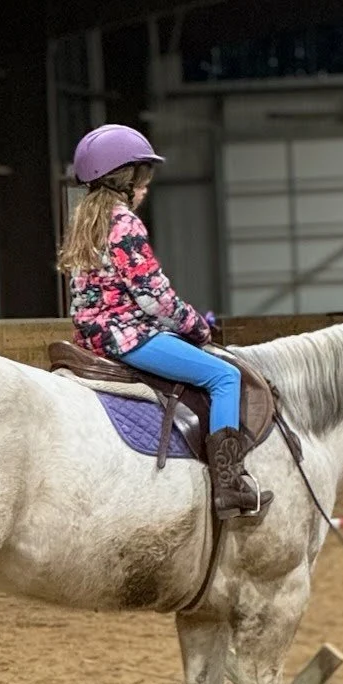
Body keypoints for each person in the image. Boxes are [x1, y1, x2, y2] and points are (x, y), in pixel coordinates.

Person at [58, 123, 271, 520]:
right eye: (142, 179)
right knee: (225, 377)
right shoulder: (124, 223)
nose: (145, 188)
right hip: (128, 337)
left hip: (92, 335)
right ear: (125, 179)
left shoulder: (86, 223)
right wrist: (196, 326)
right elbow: (154, 297)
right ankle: (229, 484)